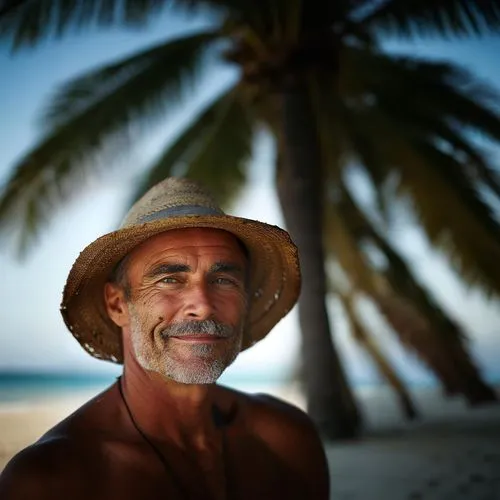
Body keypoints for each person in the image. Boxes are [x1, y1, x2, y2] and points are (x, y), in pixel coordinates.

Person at [0, 177, 330, 499]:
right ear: (118, 305)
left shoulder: (287, 440)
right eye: (170, 279)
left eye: (224, 279)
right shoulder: (52, 480)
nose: (202, 305)